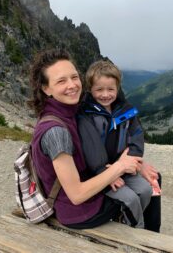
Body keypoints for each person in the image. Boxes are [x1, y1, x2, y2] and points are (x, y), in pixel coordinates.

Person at [27, 49, 142, 228]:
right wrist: (120, 166)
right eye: (61, 81)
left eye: (74, 77)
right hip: (80, 211)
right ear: (46, 88)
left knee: (146, 182)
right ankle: (140, 240)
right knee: (135, 198)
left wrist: (136, 161)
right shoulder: (57, 132)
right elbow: (77, 194)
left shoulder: (67, 112)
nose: (72, 85)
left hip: (86, 190)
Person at [78, 60, 161, 229]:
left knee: (145, 190)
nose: (105, 94)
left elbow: (136, 136)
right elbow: (90, 147)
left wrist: (134, 160)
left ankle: (128, 220)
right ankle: (137, 229)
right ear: (90, 89)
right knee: (130, 199)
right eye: (99, 89)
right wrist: (104, 170)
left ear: (118, 88)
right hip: (100, 173)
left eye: (111, 89)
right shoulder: (86, 115)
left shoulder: (126, 110)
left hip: (124, 167)